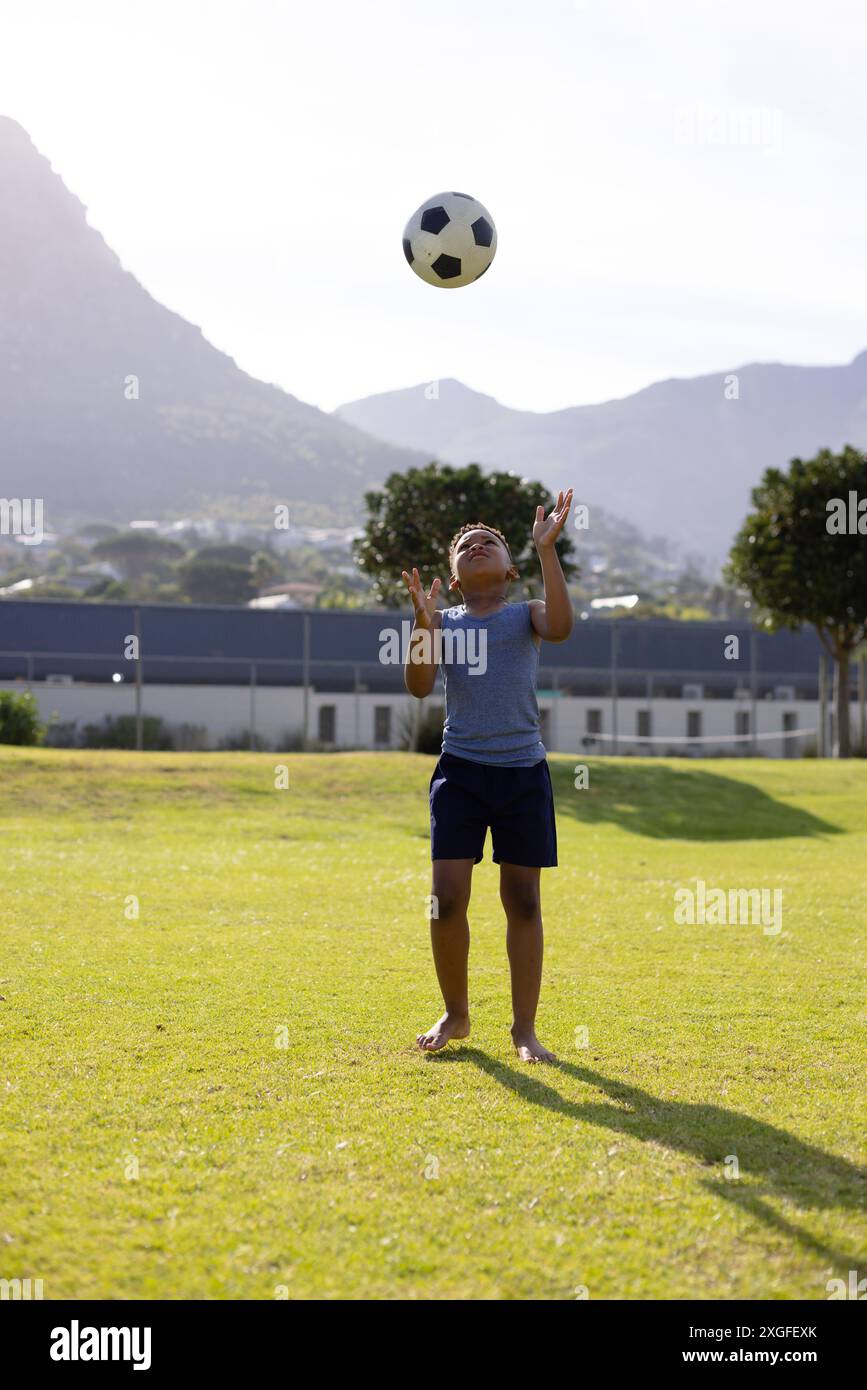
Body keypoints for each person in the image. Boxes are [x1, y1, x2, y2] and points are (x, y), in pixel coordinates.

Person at [402, 490, 574, 1062]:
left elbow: (563, 626)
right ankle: (456, 1013)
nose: (477, 546)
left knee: (523, 902)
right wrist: (422, 626)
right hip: (461, 773)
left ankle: (524, 1030)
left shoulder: (525, 615)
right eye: (465, 547)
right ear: (454, 579)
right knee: (446, 899)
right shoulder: (443, 621)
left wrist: (547, 549)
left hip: (523, 773)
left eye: (489, 543)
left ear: (510, 568)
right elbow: (420, 686)